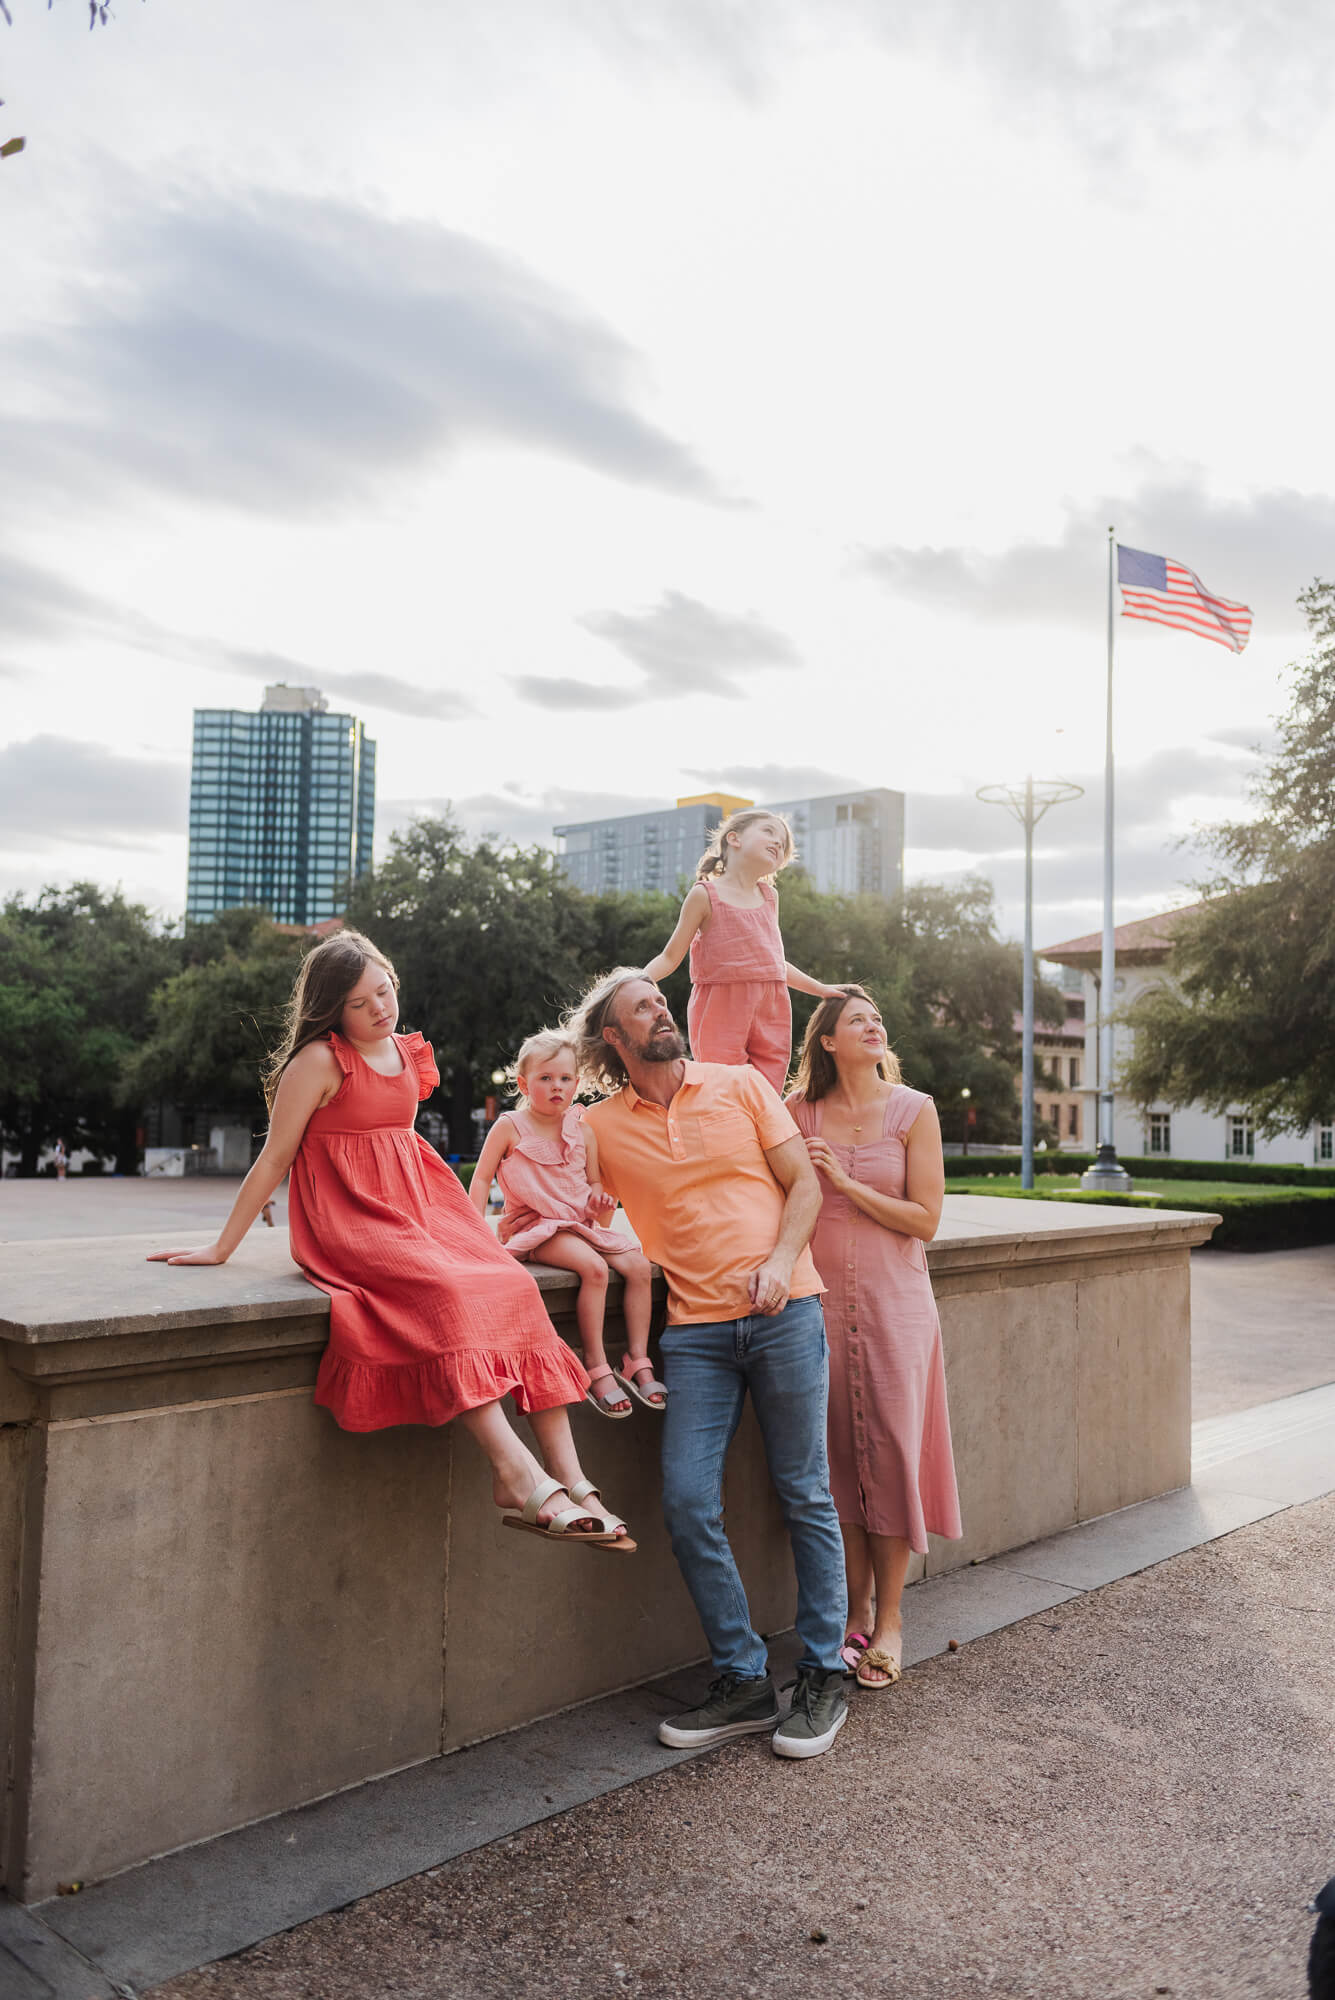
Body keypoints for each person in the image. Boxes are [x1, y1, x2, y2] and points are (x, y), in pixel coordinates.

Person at [147, 930, 635, 1552]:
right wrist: (222, 1248)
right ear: (331, 1009)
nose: (379, 1008)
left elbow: (398, 1139)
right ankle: (517, 1476)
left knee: (512, 1283)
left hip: (422, 1203)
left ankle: (573, 1479)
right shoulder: (318, 1063)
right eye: (359, 1003)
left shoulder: (406, 1051)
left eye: (384, 991)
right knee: (444, 1295)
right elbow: (273, 1159)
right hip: (351, 1216)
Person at [567, 967, 851, 1760]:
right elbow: (557, 1198)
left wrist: (779, 1259)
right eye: (642, 1009)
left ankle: (824, 1672)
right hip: (691, 1334)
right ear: (614, 1041)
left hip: (786, 1308)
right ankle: (744, 1678)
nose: (662, 1011)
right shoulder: (598, 1128)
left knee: (803, 1490)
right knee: (688, 1501)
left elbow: (802, 1187)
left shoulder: (739, 1086)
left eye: (661, 1000)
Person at [787, 986, 961, 1689]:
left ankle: (889, 1621)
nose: (872, 1025)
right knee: (833, 1466)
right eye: (855, 1018)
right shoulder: (796, 1112)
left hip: (895, 1306)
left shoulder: (912, 1110)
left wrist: (844, 1184)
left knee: (888, 1455)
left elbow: (925, 1219)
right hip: (816, 1306)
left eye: (876, 1018)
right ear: (826, 1039)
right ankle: (852, 1614)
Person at [469, 1030, 663, 1420]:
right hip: (539, 1227)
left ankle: (636, 1358)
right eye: (545, 1078)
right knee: (593, 1269)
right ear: (524, 1083)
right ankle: (595, 1365)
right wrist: (474, 1235)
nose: (557, 1087)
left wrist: (598, 1198)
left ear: (576, 1082)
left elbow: (592, 1181)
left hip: (579, 1222)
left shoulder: (582, 1128)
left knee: (639, 1268)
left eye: (565, 1078)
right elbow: (480, 1178)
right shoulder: (510, 1126)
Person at [642, 808, 842, 1094]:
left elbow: (774, 963)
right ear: (734, 838)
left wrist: (821, 989)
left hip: (772, 1008)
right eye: (769, 832)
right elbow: (670, 957)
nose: (778, 843)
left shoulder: (770, 897)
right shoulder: (704, 895)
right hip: (721, 1006)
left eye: (783, 843)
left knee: (766, 1095)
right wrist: (637, 983)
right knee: (722, 1090)